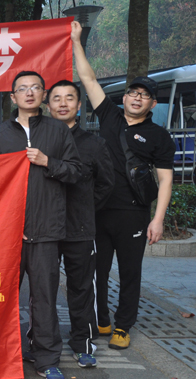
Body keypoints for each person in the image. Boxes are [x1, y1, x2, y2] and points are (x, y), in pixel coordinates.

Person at [71, 21, 174, 350]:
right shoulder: (110, 116)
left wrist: (157, 219)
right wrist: (76, 41)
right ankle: (102, 319)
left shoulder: (159, 136)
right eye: (133, 93)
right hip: (99, 209)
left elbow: (165, 179)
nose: (137, 98)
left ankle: (124, 325)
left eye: (144, 95)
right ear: (125, 97)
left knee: (130, 273)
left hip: (133, 214)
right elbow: (88, 79)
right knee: (97, 271)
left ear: (152, 104)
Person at [0, 70, 81, 379]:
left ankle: (47, 360)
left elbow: (76, 172)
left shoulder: (58, 130)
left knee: (44, 298)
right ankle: (0, 357)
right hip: (8, 234)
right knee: (1, 298)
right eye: (22, 89)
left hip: (46, 231)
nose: (29, 93)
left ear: (43, 95)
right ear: (13, 97)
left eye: (35, 88)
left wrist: (47, 162)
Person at [47, 79, 115, 366]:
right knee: (44, 290)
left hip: (80, 229)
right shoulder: (38, 140)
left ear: (78, 105)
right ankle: (42, 343)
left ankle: (82, 343)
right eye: (57, 98)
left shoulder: (94, 144)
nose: (63, 103)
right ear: (47, 105)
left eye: (69, 98)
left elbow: (106, 184)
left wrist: (85, 208)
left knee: (82, 288)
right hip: (44, 229)